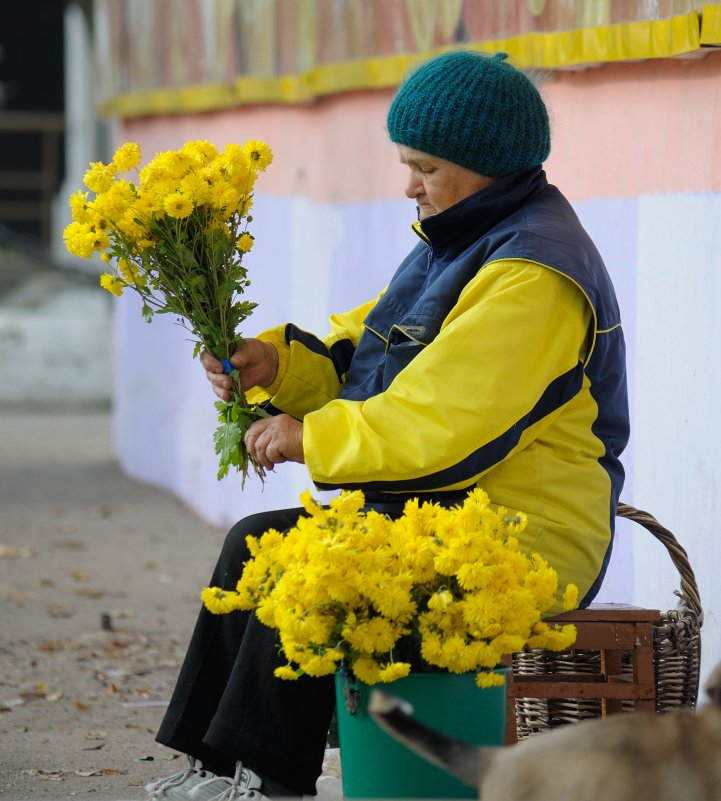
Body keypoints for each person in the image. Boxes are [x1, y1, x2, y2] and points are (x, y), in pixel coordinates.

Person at [146, 50, 629, 800]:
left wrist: (313, 439)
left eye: (426, 168)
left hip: (521, 537)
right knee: (257, 543)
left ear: (488, 163)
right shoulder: (470, 235)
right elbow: (369, 347)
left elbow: (445, 423)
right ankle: (216, 771)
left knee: (309, 565)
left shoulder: (534, 272)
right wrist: (274, 364)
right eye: (408, 164)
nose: (409, 185)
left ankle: (275, 785)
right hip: (448, 516)